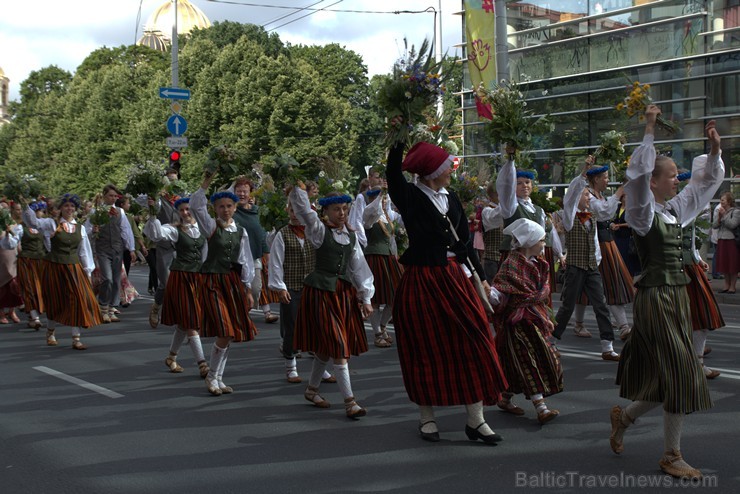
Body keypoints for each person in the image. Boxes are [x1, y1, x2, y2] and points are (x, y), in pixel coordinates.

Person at [611, 106, 723, 480]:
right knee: (680, 369)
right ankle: (671, 455)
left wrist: (715, 153)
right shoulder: (643, 214)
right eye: (672, 176)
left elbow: (703, 186)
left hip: (676, 296)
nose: (678, 181)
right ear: (655, 182)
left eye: (677, 176)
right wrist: (648, 129)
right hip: (655, 297)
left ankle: (624, 417)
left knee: (666, 380)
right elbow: (638, 177)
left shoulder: (674, 211)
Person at [387, 140, 508, 444]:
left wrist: (481, 278)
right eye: (446, 167)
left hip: (454, 277)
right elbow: (393, 175)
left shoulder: (451, 197)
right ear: (432, 172)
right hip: (422, 279)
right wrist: (398, 138)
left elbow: (465, 243)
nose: (451, 171)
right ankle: (426, 417)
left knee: (476, 339)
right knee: (424, 348)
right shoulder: (411, 196)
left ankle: (476, 420)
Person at [289, 184, 374, 419]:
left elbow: (358, 268)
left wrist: (366, 297)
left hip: (342, 293)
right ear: (326, 212)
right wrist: (298, 187)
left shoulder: (351, 235)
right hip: (321, 293)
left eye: (344, 209)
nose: (342, 213)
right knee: (338, 345)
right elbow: (304, 211)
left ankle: (312, 390)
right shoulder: (318, 231)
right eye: (337, 209)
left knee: (327, 348)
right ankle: (350, 402)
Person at [489, 218, 563, 424]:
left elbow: (542, 291)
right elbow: (501, 292)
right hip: (517, 322)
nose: (543, 244)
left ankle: (504, 398)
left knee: (517, 363)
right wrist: (490, 294)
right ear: (530, 242)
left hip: (535, 319)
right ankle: (541, 408)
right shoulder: (510, 264)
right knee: (529, 361)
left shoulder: (541, 264)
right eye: (541, 240)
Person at [191, 172, 257, 396]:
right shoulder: (210, 227)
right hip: (212, 281)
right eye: (221, 206)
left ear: (236, 208)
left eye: (229, 205)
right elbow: (196, 205)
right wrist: (207, 181)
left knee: (229, 333)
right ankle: (212, 377)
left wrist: (247, 288)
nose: (226, 209)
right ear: (215, 209)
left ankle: (218, 377)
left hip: (231, 282)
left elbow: (245, 260)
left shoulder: (240, 231)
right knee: (225, 329)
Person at [551, 159, 619, 361]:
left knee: (601, 305)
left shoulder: (592, 216)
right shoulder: (569, 215)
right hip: (575, 267)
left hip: (590, 266)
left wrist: (595, 260)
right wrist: (583, 174)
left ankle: (607, 346)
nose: (589, 198)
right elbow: (571, 196)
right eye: (586, 195)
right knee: (567, 306)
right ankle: (552, 341)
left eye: (589, 195)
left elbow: (595, 242)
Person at [23, 194, 103, 349]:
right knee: (56, 300)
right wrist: (26, 206)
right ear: (60, 208)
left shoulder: (79, 228)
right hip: (54, 267)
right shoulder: (51, 223)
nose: (69, 209)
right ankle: (50, 331)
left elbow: (84, 251)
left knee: (77, 298)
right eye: (66, 206)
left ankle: (76, 338)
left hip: (73, 267)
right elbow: (32, 222)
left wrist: (87, 271)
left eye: (72, 206)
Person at [144, 197, 210, 379]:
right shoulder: (174, 230)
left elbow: (206, 255)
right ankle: (202, 363)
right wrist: (152, 213)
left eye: (188, 209)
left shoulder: (203, 229)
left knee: (185, 322)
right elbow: (156, 234)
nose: (185, 213)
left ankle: (171, 357)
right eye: (182, 210)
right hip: (181, 278)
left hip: (197, 278)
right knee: (190, 320)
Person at [676, 173, 725, 380]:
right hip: (672, 270)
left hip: (689, 267)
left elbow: (691, 239)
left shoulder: (693, 206)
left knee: (702, 316)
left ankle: (697, 363)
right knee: (674, 320)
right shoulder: (671, 206)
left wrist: (697, 258)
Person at [582, 160, 635, 341]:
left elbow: (607, 215)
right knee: (605, 284)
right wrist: (620, 192)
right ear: (595, 179)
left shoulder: (600, 195)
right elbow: (602, 212)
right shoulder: (588, 195)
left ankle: (623, 326)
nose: (606, 180)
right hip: (596, 243)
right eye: (604, 177)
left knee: (611, 284)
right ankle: (621, 326)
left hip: (606, 241)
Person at [268, 198, 317, 383]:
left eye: (299, 211)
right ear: (288, 212)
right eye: (292, 211)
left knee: (315, 326)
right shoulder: (283, 234)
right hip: (291, 287)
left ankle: (319, 368)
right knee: (292, 327)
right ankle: (291, 366)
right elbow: (276, 262)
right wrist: (280, 287)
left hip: (312, 287)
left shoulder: (314, 233)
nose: (295, 215)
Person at [85, 184, 136, 324]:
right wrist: (93, 231)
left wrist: (131, 249)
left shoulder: (120, 212)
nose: (113, 198)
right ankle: (103, 306)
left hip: (117, 249)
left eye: (115, 196)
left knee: (115, 279)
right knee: (106, 278)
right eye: (110, 195)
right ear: (104, 196)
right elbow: (86, 230)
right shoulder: (95, 212)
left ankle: (112, 308)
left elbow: (126, 230)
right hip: (102, 249)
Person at [231, 176, 278, 324]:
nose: (242, 194)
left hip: (254, 257)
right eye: (239, 191)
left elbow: (262, 234)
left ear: (251, 193)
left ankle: (242, 313)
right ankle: (238, 317)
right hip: (235, 259)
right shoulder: (231, 211)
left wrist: (268, 255)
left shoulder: (257, 212)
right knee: (236, 290)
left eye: (245, 191)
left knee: (256, 289)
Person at [362, 187, 403, 348]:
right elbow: (372, 210)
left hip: (388, 258)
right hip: (375, 257)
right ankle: (377, 332)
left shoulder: (387, 216)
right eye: (381, 199)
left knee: (395, 297)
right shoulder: (370, 217)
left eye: (385, 199)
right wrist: (379, 195)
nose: (384, 201)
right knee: (376, 299)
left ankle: (383, 326)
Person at [16, 201, 48, 329]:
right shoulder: (20, 227)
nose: (40, 213)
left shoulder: (42, 227)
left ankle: (32, 315)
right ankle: (35, 317)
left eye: (41, 211)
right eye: (38, 211)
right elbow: (16, 244)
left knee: (39, 289)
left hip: (40, 260)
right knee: (29, 288)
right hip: (26, 260)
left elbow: (48, 244)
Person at [0, 201, 24, 324]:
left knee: (14, 285)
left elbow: (17, 240)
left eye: (5, 208)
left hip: (12, 256)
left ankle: (12, 311)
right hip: (1, 257)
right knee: (2, 285)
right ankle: (1, 312)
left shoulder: (14, 224)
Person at [713, 191, 739, 293]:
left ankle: (732, 286)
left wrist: (723, 216)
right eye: (721, 200)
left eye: (723, 200)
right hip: (721, 240)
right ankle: (726, 285)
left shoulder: (736, 212)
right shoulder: (721, 211)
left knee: (732, 264)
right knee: (724, 263)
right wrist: (719, 217)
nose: (721, 202)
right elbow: (714, 225)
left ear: (729, 201)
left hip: (731, 241)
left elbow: (732, 224)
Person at [480, 183, 504, 283]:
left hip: (506, 259)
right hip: (492, 258)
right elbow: (497, 216)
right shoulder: (487, 211)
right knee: (493, 290)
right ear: (492, 195)